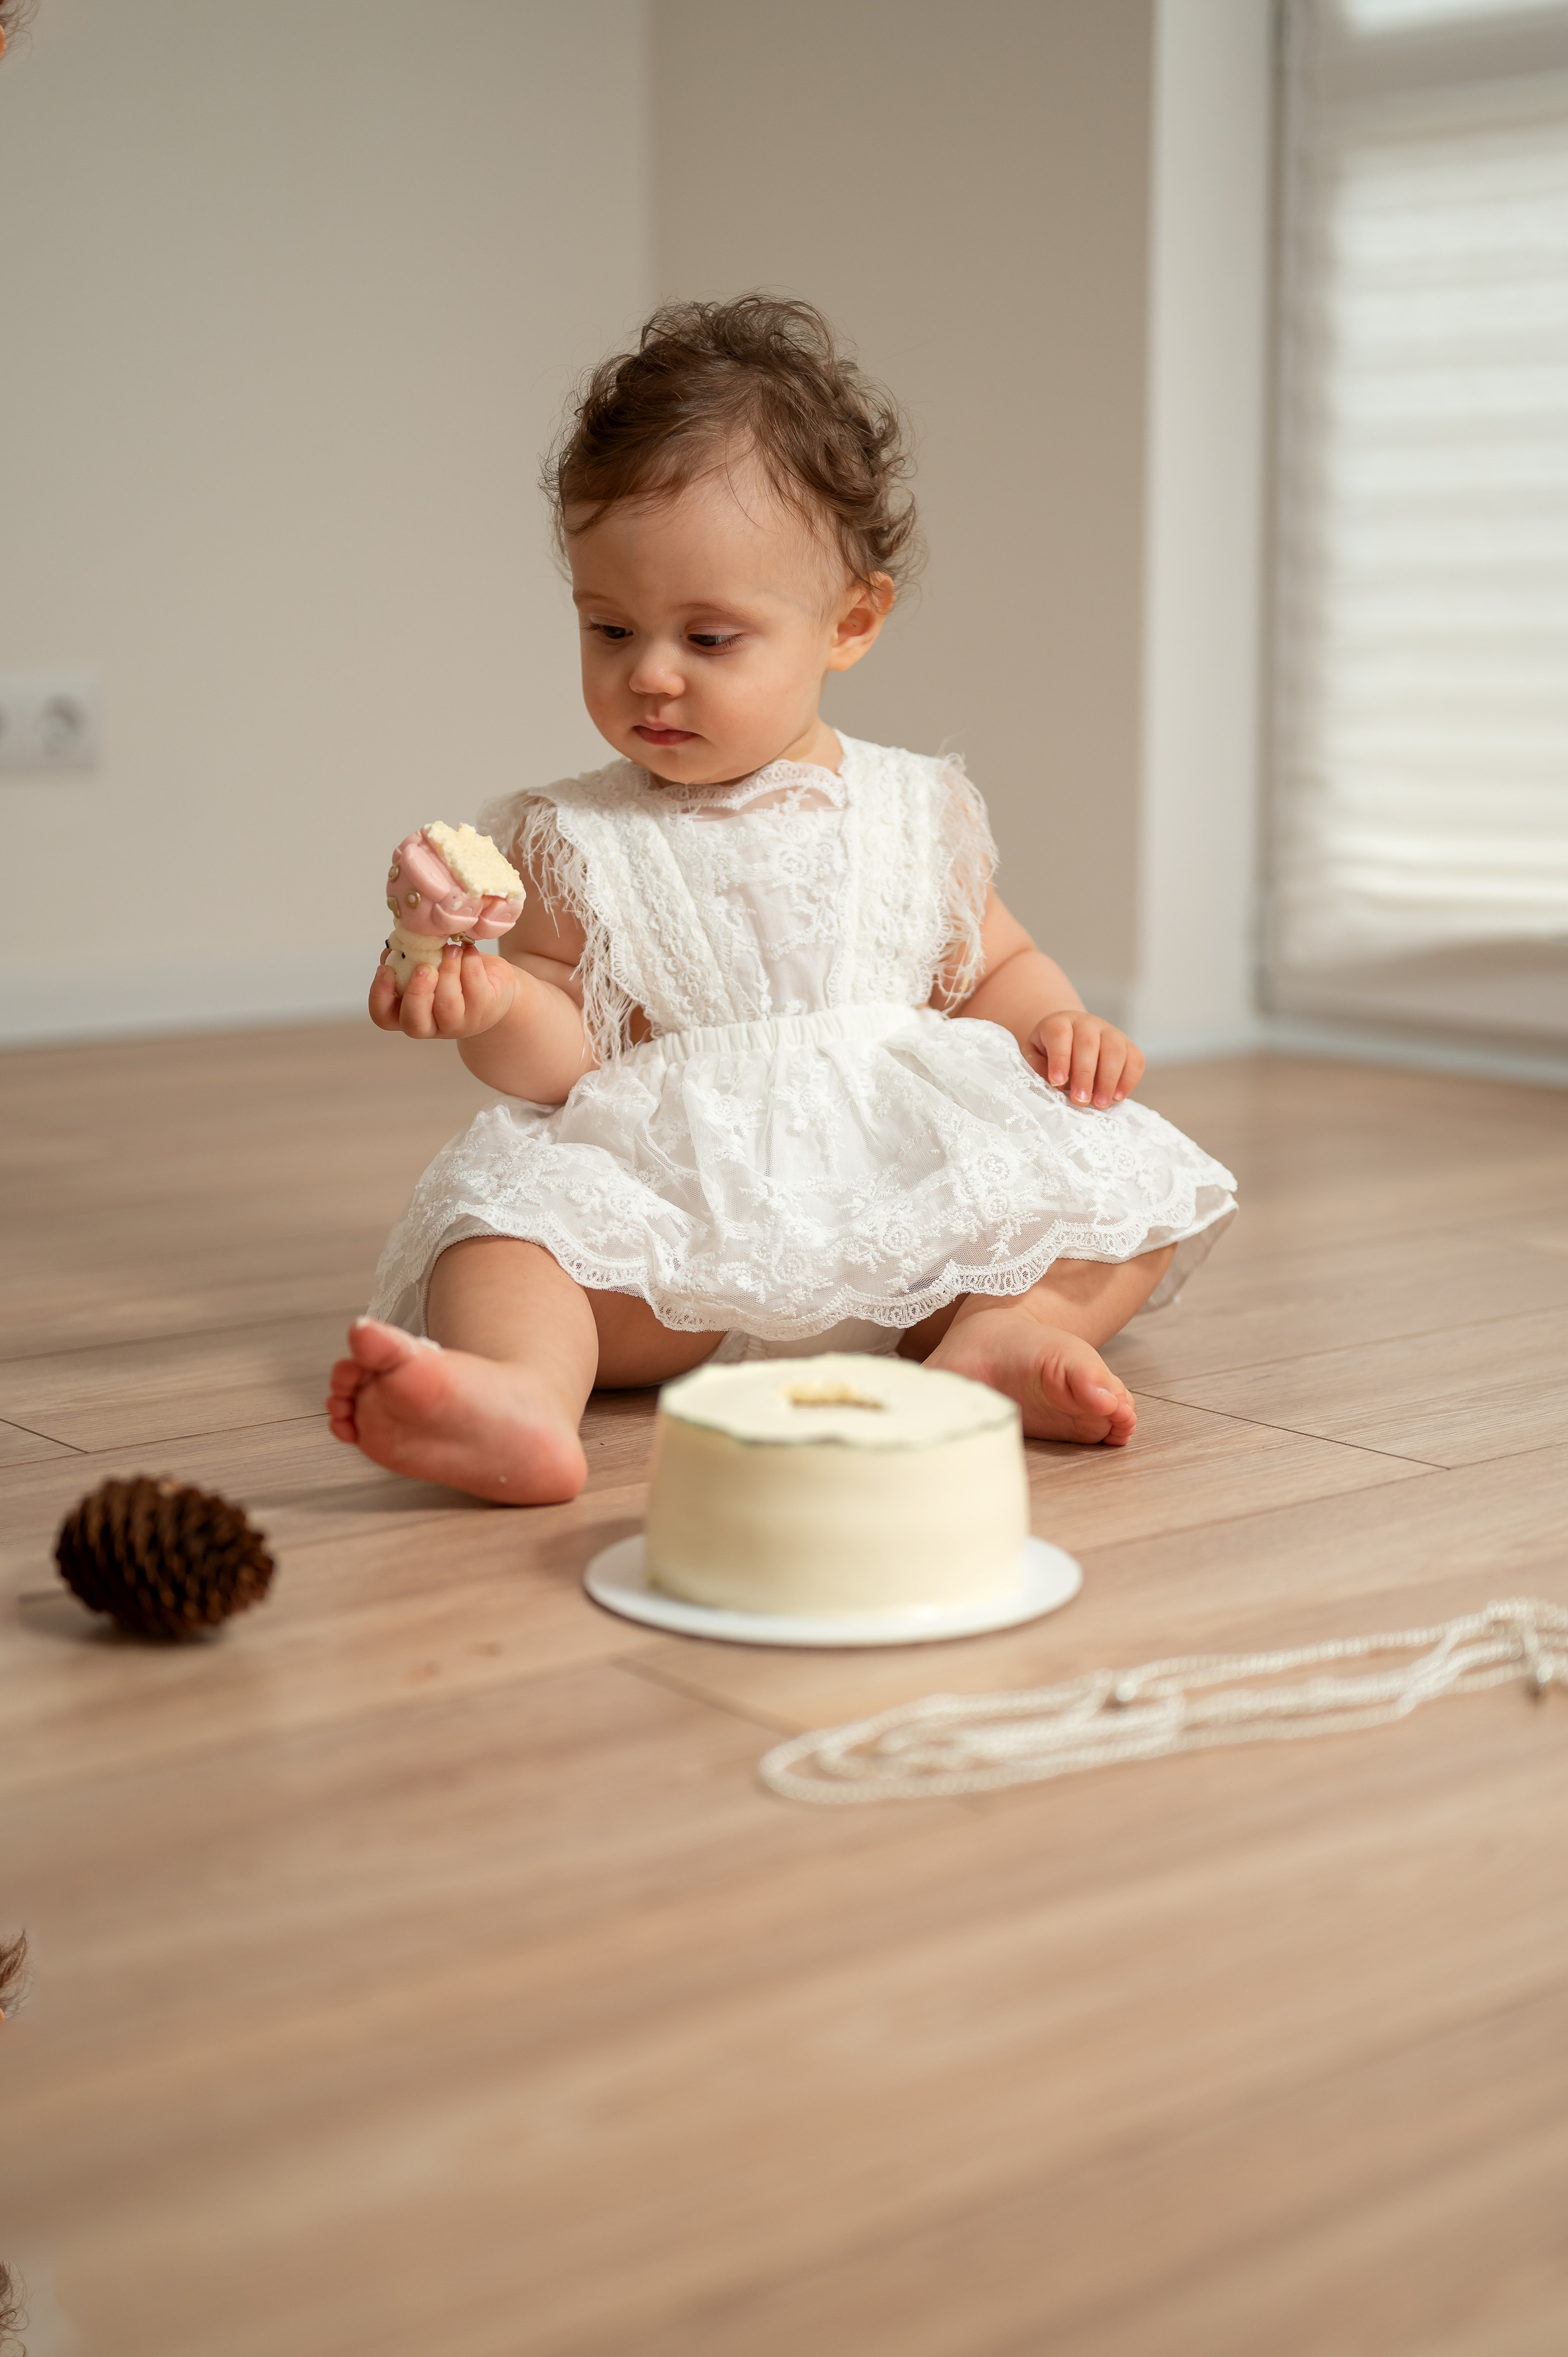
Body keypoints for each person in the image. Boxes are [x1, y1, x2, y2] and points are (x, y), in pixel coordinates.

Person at [330, 298, 1236, 1504]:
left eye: (709, 637)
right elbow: (563, 1065)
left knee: (1120, 1194)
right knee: (502, 1232)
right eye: (608, 628)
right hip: (683, 1232)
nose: (648, 671)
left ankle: (999, 1336)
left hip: (903, 1207)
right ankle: (519, 1394)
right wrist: (487, 996)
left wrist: (1054, 1026)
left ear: (848, 623)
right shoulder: (572, 837)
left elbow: (991, 970)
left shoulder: (919, 807)